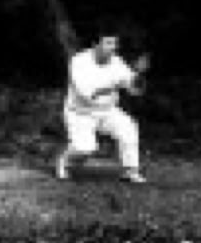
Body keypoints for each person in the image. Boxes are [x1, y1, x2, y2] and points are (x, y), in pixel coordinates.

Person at [57, 26, 150, 183]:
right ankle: (64, 162)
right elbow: (86, 93)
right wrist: (115, 85)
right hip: (80, 113)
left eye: (114, 44)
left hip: (108, 111)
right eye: (108, 43)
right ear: (95, 44)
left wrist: (138, 74)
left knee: (129, 128)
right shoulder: (79, 61)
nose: (112, 48)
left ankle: (130, 171)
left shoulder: (117, 62)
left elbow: (134, 89)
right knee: (85, 149)